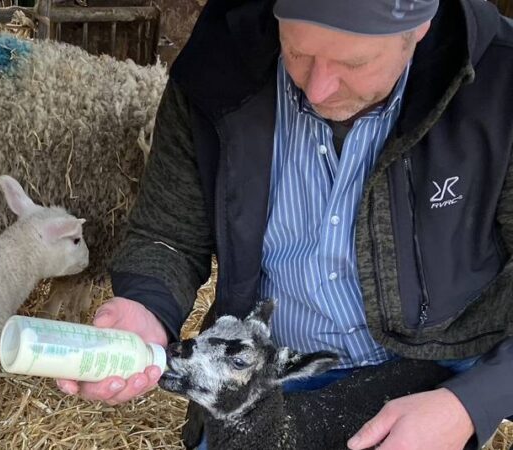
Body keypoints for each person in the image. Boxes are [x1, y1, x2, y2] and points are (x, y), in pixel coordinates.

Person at [56, 0, 513, 449]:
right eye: (297, 52)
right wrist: (145, 307)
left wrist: (471, 404)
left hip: (436, 383)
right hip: (266, 378)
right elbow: (168, 235)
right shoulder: (216, 69)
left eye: (353, 62)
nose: (317, 90)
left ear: (420, 27)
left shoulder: (501, 84)